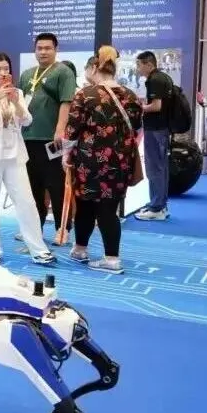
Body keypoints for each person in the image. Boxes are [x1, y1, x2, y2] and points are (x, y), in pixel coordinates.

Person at [64, 46, 144, 275]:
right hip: (120, 161)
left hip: (89, 161)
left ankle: (84, 250)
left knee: (85, 205)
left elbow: (72, 130)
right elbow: (137, 126)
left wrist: (66, 156)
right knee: (108, 208)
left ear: (94, 67)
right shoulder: (130, 95)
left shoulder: (85, 95)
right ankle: (108, 256)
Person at [0, 52, 56, 265]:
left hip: (14, 155)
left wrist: (16, 102)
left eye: (6, 69)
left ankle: (38, 249)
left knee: (27, 202)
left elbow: (27, 120)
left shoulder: (17, 92)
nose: (3, 73)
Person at [18, 32, 76, 243]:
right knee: (33, 187)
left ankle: (63, 228)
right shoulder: (27, 74)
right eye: (39, 48)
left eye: (47, 48)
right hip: (28, 138)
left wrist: (60, 129)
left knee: (57, 184)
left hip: (53, 140)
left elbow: (66, 102)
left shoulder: (63, 72)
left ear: (56, 49)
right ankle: (36, 228)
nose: (43, 52)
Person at [134, 50, 174, 221]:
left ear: (149, 64)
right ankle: (160, 205)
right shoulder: (164, 77)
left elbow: (156, 106)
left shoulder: (154, 80)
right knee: (161, 167)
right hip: (162, 129)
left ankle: (156, 207)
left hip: (155, 129)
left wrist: (140, 107)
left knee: (155, 167)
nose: (138, 69)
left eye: (139, 65)